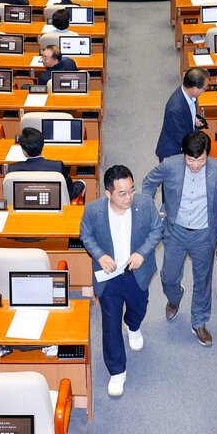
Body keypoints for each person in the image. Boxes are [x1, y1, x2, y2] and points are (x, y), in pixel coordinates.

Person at [142, 130, 217, 347]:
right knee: (169, 277)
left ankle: (199, 322)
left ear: (207, 156)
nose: (194, 165)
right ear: (183, 153)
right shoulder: (170, 164)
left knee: (203, 280)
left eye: (200, 160)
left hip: (204, 234)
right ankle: (174, 298)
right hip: (175, 232)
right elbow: (148, 183)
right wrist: (152, 212)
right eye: (190, 159)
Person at [79, 164, 163, 397]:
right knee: (110, 323)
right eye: (122, 193)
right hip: (109, 278)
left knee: (138, 308)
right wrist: (100, 255)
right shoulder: (93, 211)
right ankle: (117, 371)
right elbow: (85, 234)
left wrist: (142, 253)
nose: (129, 198)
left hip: (137, 271)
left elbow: (157, 230)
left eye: (131, 190)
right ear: (108, 194)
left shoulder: (145, 204)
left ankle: (133, 326)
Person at [7, 126, 84, 201]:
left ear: (24, 150)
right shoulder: (57, 167)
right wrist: (82, 183)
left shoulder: (12, 169)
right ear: (43, 146)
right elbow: (71, 193)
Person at [155, 67, 208, 162]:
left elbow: (188, 114)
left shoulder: (190, 96)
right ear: (195, 88)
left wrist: (195, 121)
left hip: (183, 144)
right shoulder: (175, 108)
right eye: (205, 88)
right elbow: (182, 139)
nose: (205, 90)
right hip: (173, 154)